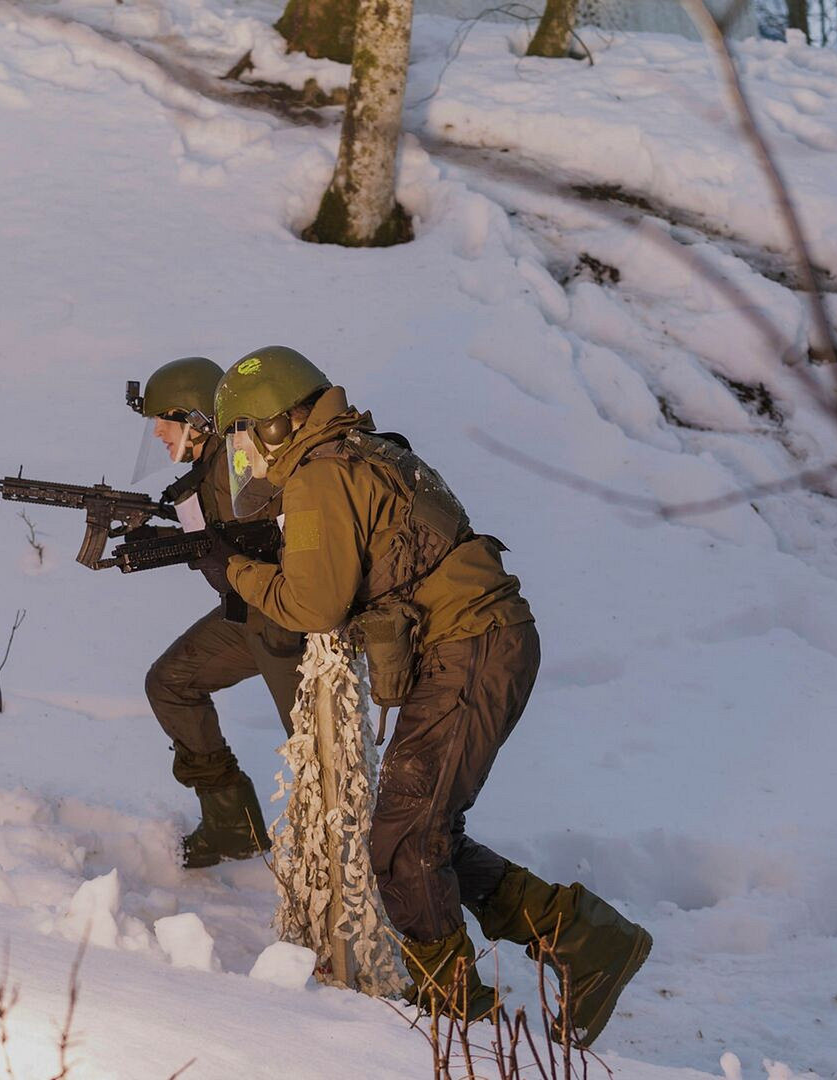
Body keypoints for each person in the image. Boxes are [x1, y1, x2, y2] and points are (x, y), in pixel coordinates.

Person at [204, 344, 650, 1046]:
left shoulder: (322, 476)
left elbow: (313, 604)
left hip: (471, 647)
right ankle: (585, 941)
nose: (244, 459)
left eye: (242, 438)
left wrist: (232, 569)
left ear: (275, 426)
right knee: (421, 835)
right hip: (477, 643)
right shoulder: (356, 452)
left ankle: (454, 1021)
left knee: (405, 839)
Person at [128, 357, 308, 870]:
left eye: (167, 418)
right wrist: (150, 538)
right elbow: (219, 543)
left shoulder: (243, 463)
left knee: (318, 748)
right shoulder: (209, 472)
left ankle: (352, 867)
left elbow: (259, 539)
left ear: (201, 419)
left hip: (286, 622)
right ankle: (234, 826)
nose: (159, 431)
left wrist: (184, 538)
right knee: (170, 682)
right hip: (246, 615)